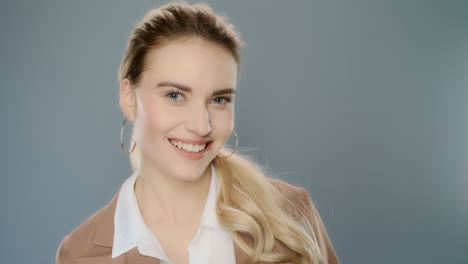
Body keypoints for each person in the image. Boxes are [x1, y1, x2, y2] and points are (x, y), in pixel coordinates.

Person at [56, 2, 340, 264]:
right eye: (175, 95)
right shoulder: (80, 254)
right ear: (129, 98)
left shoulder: (290, 214)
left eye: (219, 100)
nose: (201, 125)